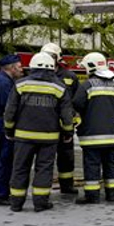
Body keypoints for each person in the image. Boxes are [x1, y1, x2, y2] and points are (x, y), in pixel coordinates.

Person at [4, 52, 74, 212]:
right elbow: (67, 116)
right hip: (49, 138)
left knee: (20, 168)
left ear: (33, 67)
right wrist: (68, 134)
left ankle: (16, 203)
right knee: (44, 169)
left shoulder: (20, 85)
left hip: (23, 136)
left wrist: (8, 129)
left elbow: (10, 112)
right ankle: (40, 203)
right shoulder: (59, 87)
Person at [73, 52, 114, 204]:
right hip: (112, 135)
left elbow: (77, 104)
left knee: (92, 165)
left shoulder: (87, 86)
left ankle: (92, 196)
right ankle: (112, 194)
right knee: (111, 165)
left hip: (91, 135)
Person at [41, 43, 80, 195]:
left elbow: (76, 100)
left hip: (65, 126)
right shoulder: (39, 76)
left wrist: (71, 118)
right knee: (45, 159)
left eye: (52, 56)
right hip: (46, 124)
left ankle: (67, 186)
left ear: (58, 58)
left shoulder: (70, 76)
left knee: (66, 158)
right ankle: (43, 188)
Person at [0, 54, 23, 206]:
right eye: (19, 67)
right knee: (5, 159)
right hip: (2, 122)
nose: (21, 69)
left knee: (0, 157)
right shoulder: (4, 83)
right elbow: (9, 106)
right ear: (12, 67)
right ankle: (0, 194)